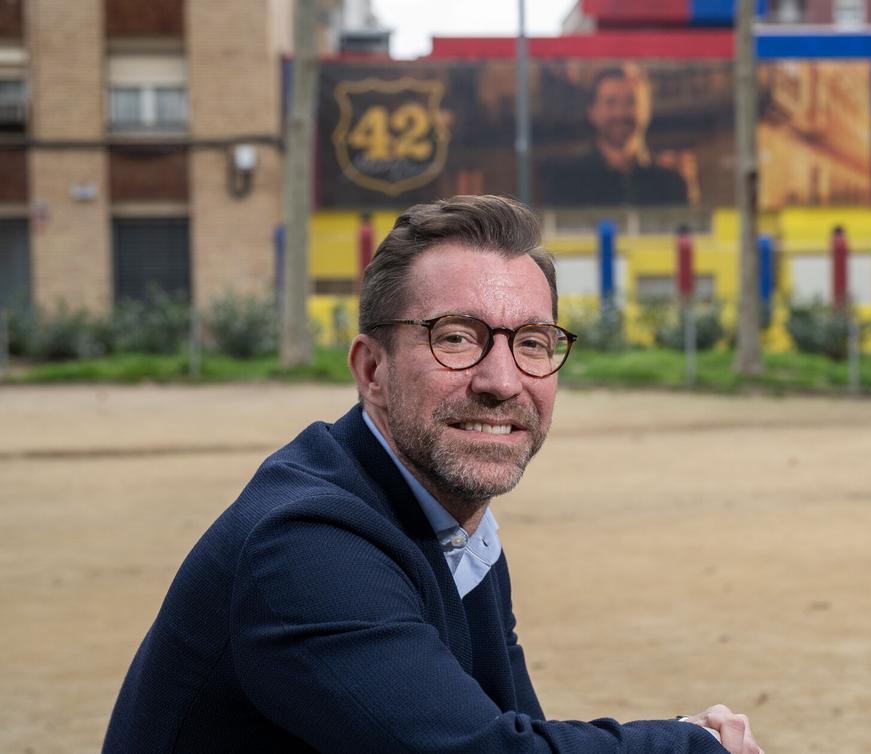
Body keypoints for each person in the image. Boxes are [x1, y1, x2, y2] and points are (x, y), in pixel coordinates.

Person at [103, 195, 762, 753]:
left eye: (532, 343)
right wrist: (688, 745)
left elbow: (510, 729)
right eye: (455, 337)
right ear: (372, 370)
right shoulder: (304, 547)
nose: (501, 381)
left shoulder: (452, 520)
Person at [541, 65, 690, 207]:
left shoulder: (672, 184)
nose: (620, 113)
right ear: (592, 112)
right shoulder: (566, 182)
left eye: (631, 102)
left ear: (647, 110)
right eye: (610, 102)